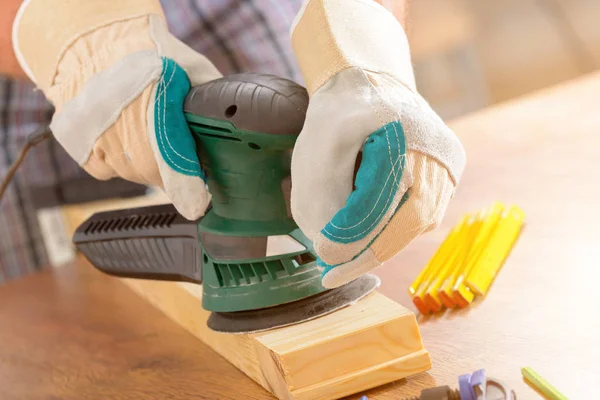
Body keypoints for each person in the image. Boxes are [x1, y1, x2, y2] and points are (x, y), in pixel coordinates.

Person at [2, 0, 465, 288]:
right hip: (34, 71)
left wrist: (362, 36)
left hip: (262, 18)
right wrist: (76, 41)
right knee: (74, 320)